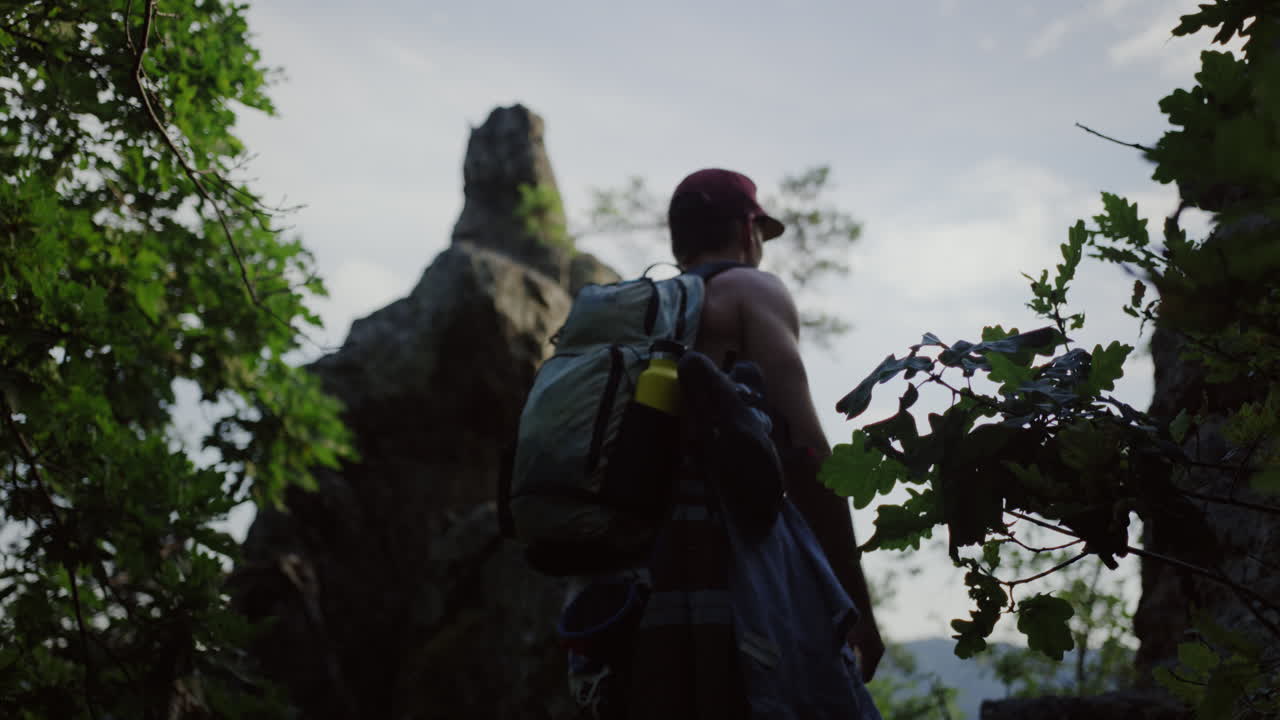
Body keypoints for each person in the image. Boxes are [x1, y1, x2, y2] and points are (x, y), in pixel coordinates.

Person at [619, 168, 884, 719]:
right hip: (733, 572)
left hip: (634, 578)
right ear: (748, 231)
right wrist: (854, 601)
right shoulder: (751, 289)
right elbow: (807, 451)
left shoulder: (636, 314)